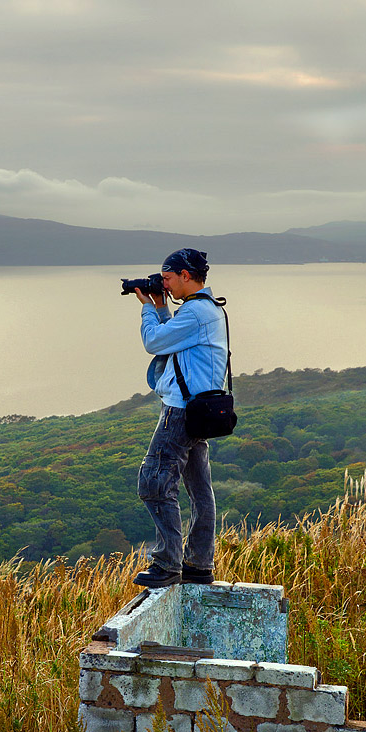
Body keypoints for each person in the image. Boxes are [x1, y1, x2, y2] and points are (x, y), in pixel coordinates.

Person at [132, 248, 228, 588]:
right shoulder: (207, 308)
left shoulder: (195, 312)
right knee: (199, 489)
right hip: (200, 409)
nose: (166, 285)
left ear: (186, 275)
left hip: (181, 410)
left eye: (168, 278)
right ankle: (199, 564)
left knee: (154, 483)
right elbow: (174, 337)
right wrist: (161, 307)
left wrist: (147, 307)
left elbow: (154, 341)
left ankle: (167, 564)